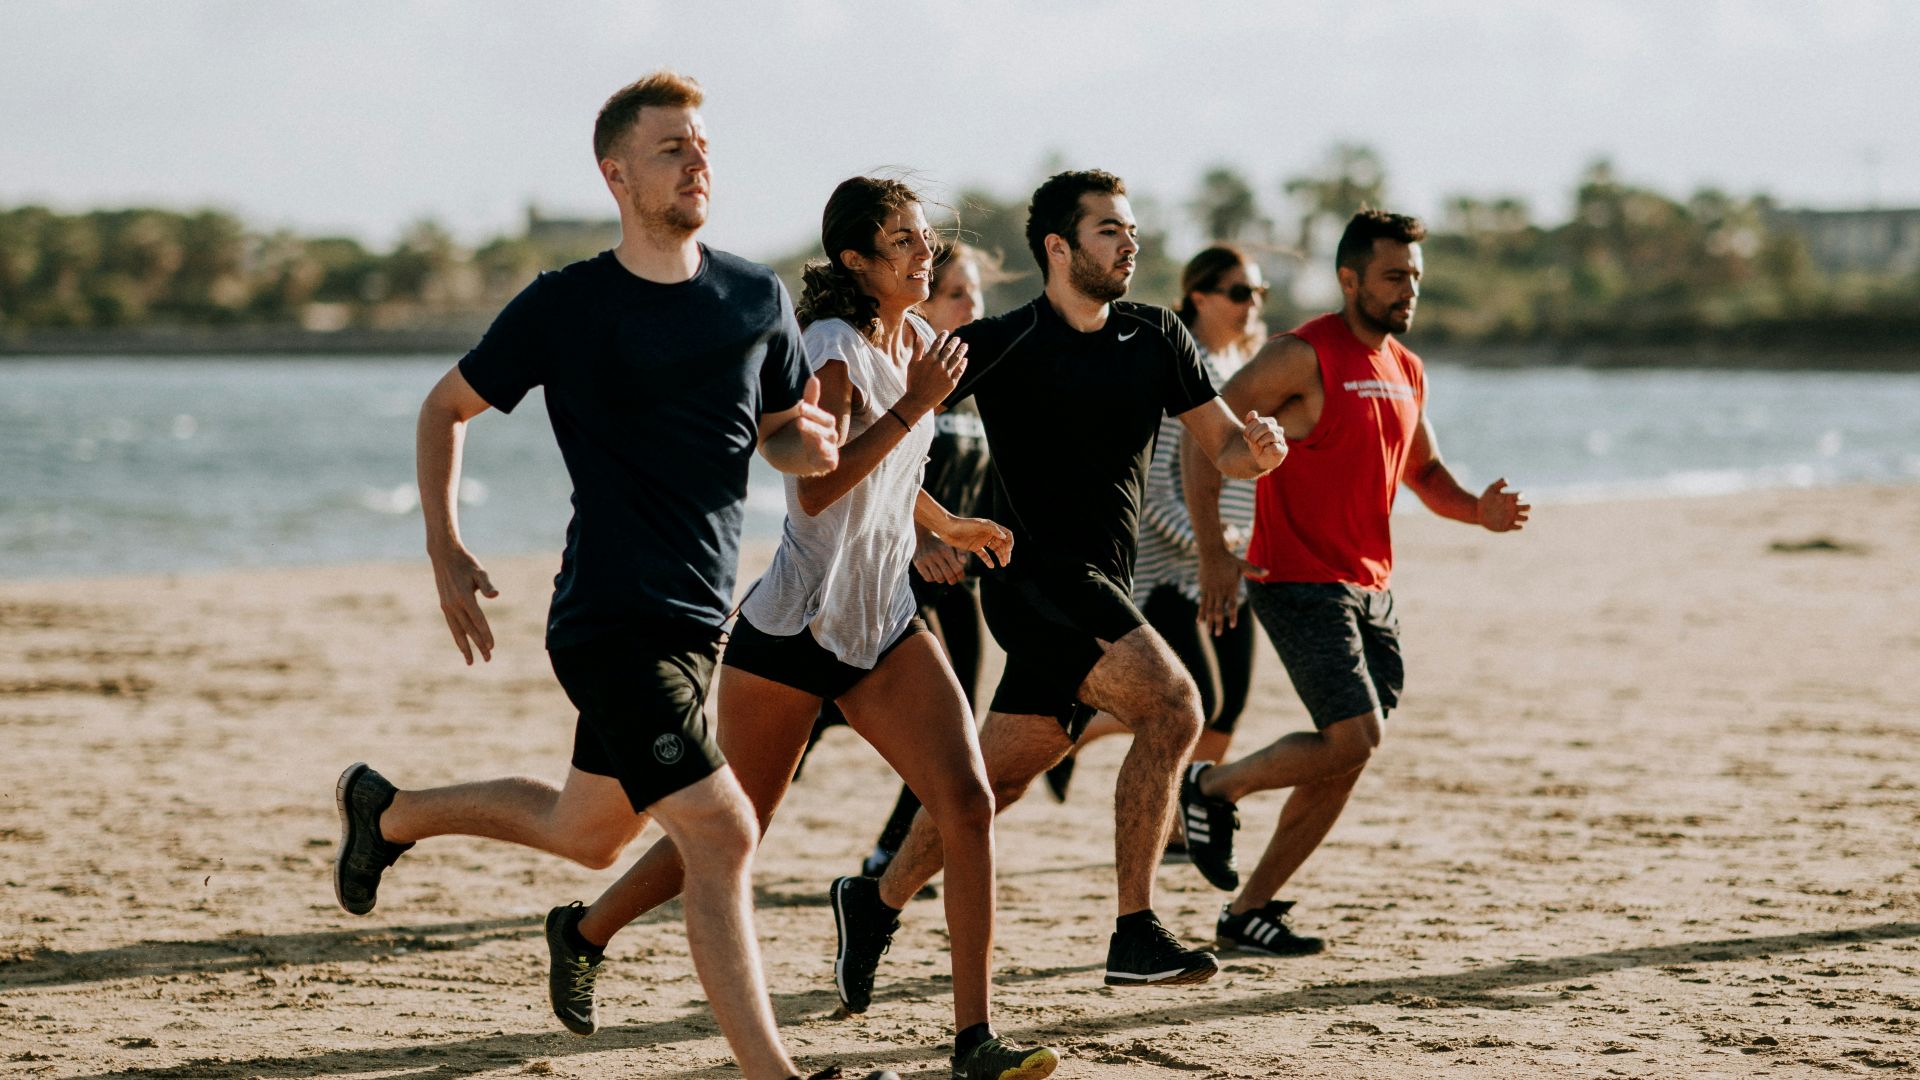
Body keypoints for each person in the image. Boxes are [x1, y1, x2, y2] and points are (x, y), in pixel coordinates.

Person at [327, 72, 894, 1080]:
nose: (697, 163)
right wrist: (444, 548)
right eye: (673, 148)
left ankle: (389, 810)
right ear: (617, 173)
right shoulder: (567, 305)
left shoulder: (755, 296)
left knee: (586, 834)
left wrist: (806, 446)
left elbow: (776, 441)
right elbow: (442, 409)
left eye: (703, 147)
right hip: (607, 620)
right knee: (722, 835)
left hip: (695, 624)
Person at [543, 178, 1058, 1080]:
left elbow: (891, 478)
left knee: (967, 804)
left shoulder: (919, 345)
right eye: (901, 242)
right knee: (735, 828)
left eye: (925, 237)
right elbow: (818, 486)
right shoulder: (830, 350)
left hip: (882, 622)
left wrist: (946, 526)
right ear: (856, 262)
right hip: (793, 631)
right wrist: (916, 406)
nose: (922, 252)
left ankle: (973, 1040)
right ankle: (585, 931)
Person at [832, 170, 1288, 1003]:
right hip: (1035, 578)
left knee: (994, 783)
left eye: (1130, 229)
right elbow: (887, 438)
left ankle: (874, 900)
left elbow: (1222, 447)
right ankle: (1134, 930)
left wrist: (1257, 450)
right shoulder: (1002, 341)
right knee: (1176, 706)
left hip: (1100, 583)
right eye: (1109, 230)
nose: (1130, 243)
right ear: (1058, 247)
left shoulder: (1156, 336)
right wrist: (926, 533)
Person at [1177, 210, 1531, 957]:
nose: (1409, 291)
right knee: (1355, 734)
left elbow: (1425, 474)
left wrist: (1480, 513)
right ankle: (1212, 788)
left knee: (1348, 752)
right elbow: (1200, 437)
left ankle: (1248, 912)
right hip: (1297, 578)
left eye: (1416, 279)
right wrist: (1212, 551)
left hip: (1372, 587)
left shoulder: (1406, 367)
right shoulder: (1300, 355)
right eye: (1393, 276)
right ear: (1350, 280)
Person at [1043, 246, 1271, 813]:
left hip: (1229, 563)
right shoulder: (1184, 367)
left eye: (1259, 294)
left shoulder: (1237, 369)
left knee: (1230, 704)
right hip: (1173, 571)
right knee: (1199, 702)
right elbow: (1155, 492)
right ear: (1200, 297)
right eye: (1240, 293)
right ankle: (1079, 734)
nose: (1253, 305)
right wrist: (1210, 547)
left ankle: (1182, 821)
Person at [856, 242, 1002, 881]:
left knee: (955, 724)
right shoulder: (908, 378)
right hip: (903, 578)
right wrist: (921, 540)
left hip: (959, 583)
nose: (973, 308)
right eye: (957, 295)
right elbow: (872, 471)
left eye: (976, 294)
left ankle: (892, 844)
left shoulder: (976, 383)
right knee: (932, 725)